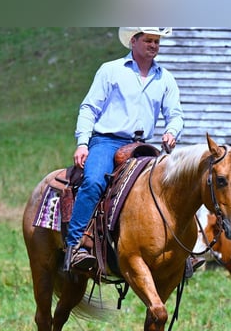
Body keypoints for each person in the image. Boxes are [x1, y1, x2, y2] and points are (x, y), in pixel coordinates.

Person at [65, 27, 185, 273]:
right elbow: (89, 107)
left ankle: (182, 253)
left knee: (176, 185)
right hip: (107, 141)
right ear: (133, 41)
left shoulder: (165, 78)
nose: (154, 45)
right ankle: (75, 246)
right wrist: (83, 142)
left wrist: (172, 131)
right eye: (148, 40)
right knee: (94, 182)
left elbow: (175, 115)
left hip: (143, 147)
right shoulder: (111, 71)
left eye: (157, 41)